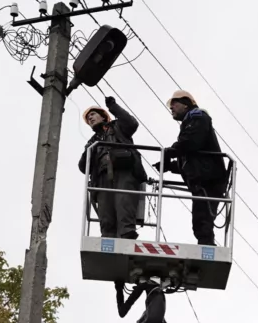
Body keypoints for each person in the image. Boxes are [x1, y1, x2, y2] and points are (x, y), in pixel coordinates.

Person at [161, 90, 229, 246]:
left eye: (174, 104)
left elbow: (192, 142)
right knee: (201, 220)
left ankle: (207, 249)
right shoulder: (191, 122)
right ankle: (206, 246)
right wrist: (171, 166)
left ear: (185, 105)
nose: (171, 108)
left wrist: (171, 151)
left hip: (209, 180)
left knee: (202, 220)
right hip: (206, 179)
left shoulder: (198, 117)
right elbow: (190, 159)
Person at [77, 96, 145, 239]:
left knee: (124, 204)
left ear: (103, 117)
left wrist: (113, 107)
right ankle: (108, 239)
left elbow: (132, 123)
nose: (90, 118)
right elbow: (83, 167)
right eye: (88, 118)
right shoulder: (92, 142)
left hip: (124, 172)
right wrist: (88, 151)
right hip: (102, 178)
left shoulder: (117, 127)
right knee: (106, 213)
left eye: (93, 115)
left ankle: (127, 235)